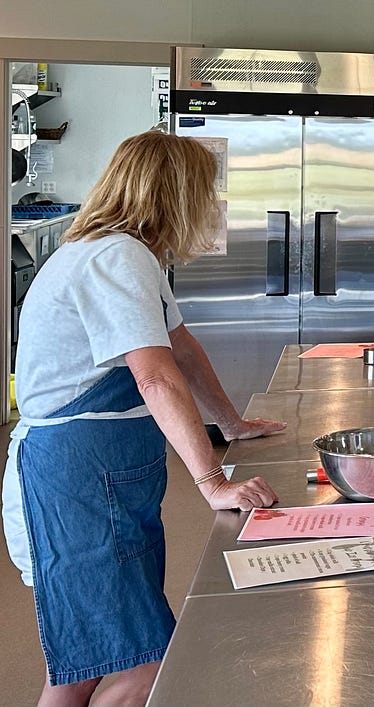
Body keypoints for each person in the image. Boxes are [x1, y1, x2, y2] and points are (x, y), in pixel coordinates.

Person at [1, 132, 285, 705]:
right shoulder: (117, 257)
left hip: (101, 476)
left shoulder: (135, 256)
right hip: (76, 484)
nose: (212, 204)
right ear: (175, 194)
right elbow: (155, 375)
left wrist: (229, 423)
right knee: (146, 665)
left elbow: (182, 349)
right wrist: (212, 483)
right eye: (206, 191)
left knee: (87, 662)